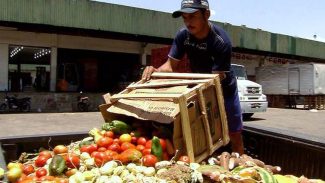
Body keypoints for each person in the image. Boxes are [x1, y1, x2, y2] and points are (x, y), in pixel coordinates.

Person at [142, 0, 244, 154]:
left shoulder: (221, 41)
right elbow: (170, 66)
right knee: (199, 132)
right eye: (185, 18)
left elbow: (215, 79)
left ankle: (242, 162)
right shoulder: (183, 36)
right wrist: (155, 72)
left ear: (207, 14)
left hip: (223, 89)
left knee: (234, 133)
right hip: (198, 87)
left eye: (193, 17)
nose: (188, 22)